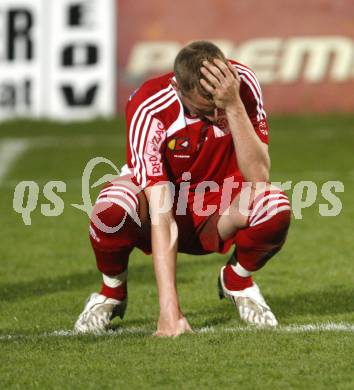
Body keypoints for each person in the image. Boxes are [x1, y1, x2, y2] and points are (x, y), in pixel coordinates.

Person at [74, 41, 291, 336]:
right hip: (158, 210)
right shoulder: (150, 107)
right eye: (206, 109)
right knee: (111, 208)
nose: (217, 117)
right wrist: (170, 312)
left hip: (221, 207)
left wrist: (234, 105)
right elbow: (161, 214)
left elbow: (259, 175)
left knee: (273, 204)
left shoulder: (241, 85)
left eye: (219, 106)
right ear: (179, 89)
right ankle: (111, 292)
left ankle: (237, 280)